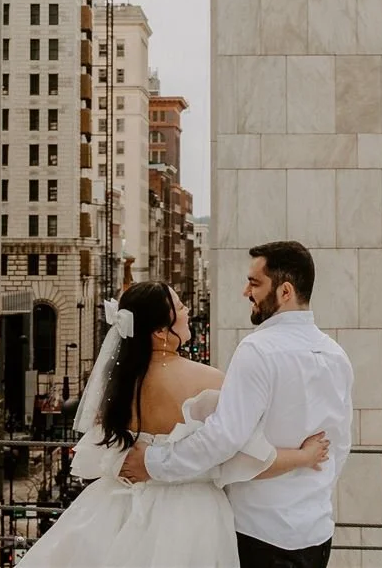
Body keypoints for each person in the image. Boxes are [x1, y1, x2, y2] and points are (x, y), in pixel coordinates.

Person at [16, 281, 330, 567]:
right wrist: (305, 456)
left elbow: (102, 454)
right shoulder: (207, 381)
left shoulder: (117, 385)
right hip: (191, 516)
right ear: (160, 331)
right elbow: (242, 456)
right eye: (180, 307)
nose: (188, 311)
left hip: (114, 507)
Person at [122, 241, 354, 568]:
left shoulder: (257, 350)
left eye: (255, 283)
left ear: (285, 291)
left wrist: (154, 463)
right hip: (317, 532)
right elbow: (340, 445)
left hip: (261, 532)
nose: (246, 291)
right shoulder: (336, 355)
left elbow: (223, 439)